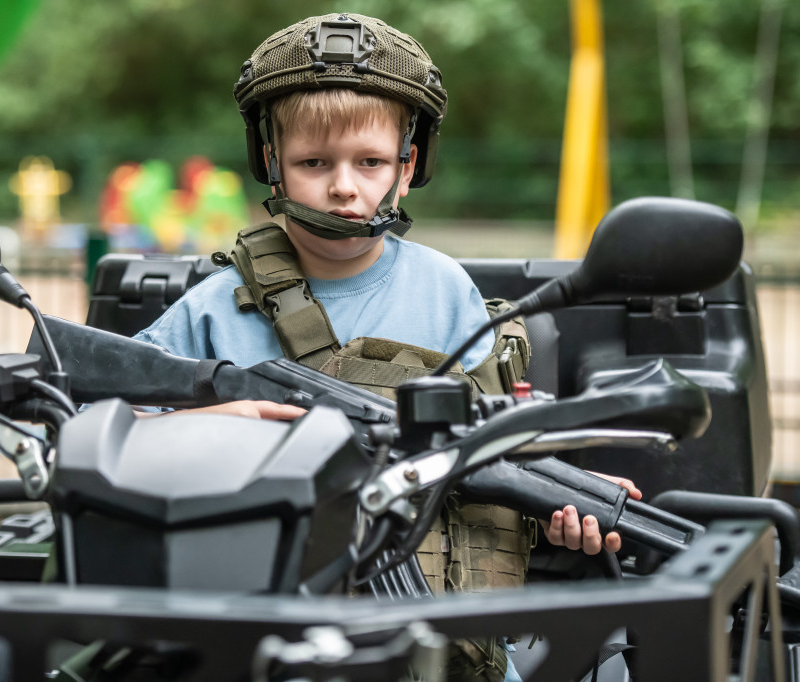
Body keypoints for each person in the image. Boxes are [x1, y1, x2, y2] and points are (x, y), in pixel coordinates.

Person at [132, 13, 639, 681]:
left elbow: (486, 453)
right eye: (314, 162)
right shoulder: (214, 306)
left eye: (369, 162)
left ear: (407, 168)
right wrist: (225, 421)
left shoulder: (447, 292)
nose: (344, 186)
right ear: (271, 164)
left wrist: (559, 499)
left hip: (445, 652)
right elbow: (98, 427)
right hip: (258, 646)